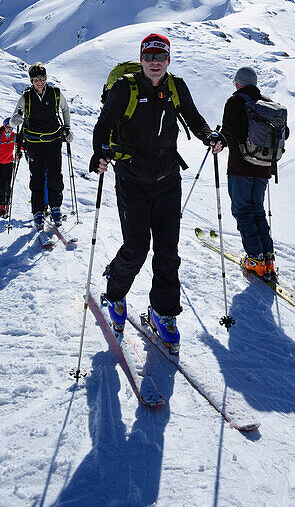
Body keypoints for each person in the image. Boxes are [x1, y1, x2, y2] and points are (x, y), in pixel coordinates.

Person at [90, 33, 223, 352]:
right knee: (136, 247)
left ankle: (163, 314)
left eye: (160, 56)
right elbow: (103, 125)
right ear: (141, 58)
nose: (154, 61)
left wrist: (209, 136)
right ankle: (115, 293)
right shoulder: (125, 88)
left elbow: (192, 116)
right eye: (149, 55)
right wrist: (100, 152)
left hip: (167, 178)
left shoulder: (176, 87)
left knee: (167, 251)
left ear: (168, 59)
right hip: (132, 178)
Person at [221, 66, 278, 278]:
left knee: (243, 211)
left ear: (238, 82)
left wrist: (219, 138)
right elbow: (284, 132)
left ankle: (255, 259)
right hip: (263, 168)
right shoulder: (268, 103)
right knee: (257, 211)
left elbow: (229, 131)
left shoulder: (235, 101)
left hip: (240, 166)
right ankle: (268, 259)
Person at [10, 63, 72, 231]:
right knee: (36, 178)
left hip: (53, 140)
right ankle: (38, 211)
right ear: (31, 80)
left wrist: (67, 128)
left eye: (42, 78)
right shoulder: (26, 97)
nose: (40, 82)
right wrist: (14, 120)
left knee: (55, 176)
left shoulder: (55, 93)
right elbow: (14, 117)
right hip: (34, 143)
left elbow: (65, 109)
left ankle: (55, 207)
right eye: (37, 79)